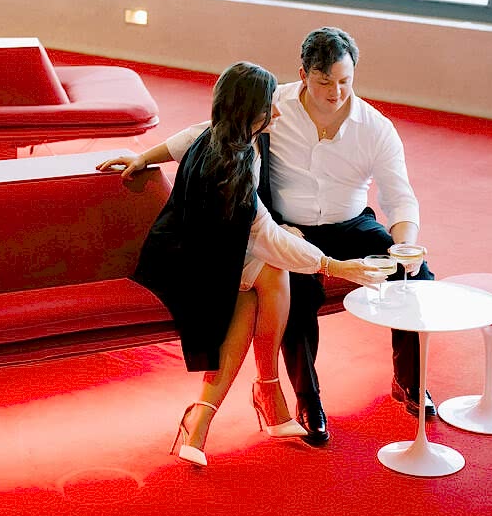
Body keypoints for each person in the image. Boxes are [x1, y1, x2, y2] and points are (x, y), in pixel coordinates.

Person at [99, 27, 434, 447]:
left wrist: (405, 244)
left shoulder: (375, 127)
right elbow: (212, 130)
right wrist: (146, 156)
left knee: (417, 278)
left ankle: (409, 381)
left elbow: (400, 196)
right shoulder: (275, 104)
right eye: (325, 81)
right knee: (296, 287)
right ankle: (308, 402)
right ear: (305, 74)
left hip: (350, 223)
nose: (336, 92)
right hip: (287, 226)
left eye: (345, 81)